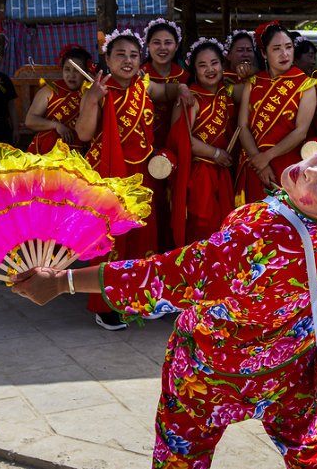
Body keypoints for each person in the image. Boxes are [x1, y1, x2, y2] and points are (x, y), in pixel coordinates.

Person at [11, 0, 317, 469]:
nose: (314, 170)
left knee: (181, 457)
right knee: (309, 454)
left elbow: (164, 276)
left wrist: (62, 283)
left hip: (212, 372)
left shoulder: (265, 237)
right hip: (290, 365)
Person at [77, 28, 189, 331]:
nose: (127, 60)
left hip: (143, 176)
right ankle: (105, 305)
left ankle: (139, 297)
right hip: (108, 176)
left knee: (143, 239)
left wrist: (182, 89)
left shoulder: (144, 84)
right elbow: (84, 134)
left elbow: (166, 92)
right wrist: (91, 100)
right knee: (111, 242)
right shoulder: (99, 88)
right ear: (107, 58)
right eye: (120, 55)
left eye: (133, 55)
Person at [235, 22, 317, 204]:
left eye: (288, 47)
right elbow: (242, 126)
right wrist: (259, 161)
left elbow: (300, 131)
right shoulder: (254, 82)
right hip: (255, 164)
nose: (284, 54)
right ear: (264, 53)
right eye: (277, 49)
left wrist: (266, 157)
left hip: (287, 164)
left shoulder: (305, 84)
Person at [171, 38, 237, 244]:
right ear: (194, 70)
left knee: (225, 225)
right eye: (202, 65)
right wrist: (215, 154)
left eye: (214, 63)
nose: (210, 69)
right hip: (200, 175)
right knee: (202, 228)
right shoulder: (191, 99)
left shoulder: (225, 93)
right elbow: (182, 139)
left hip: (222, 172)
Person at [26, 45, 92, 154]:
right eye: (67, 69)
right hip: (49, 147)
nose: (71, 75)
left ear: (86, 72)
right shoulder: (50, 90)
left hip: (81, 150)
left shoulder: (91, 92)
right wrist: (56, 126)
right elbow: (30, 121)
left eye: (76, 71)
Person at [141, 18, 190, 149]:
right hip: (143, 142)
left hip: (177, 142)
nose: (162, 48)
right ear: (148, 45)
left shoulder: (186, 76)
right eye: (156, 43)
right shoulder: (139, 75)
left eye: (168, 43)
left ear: (176, 46)